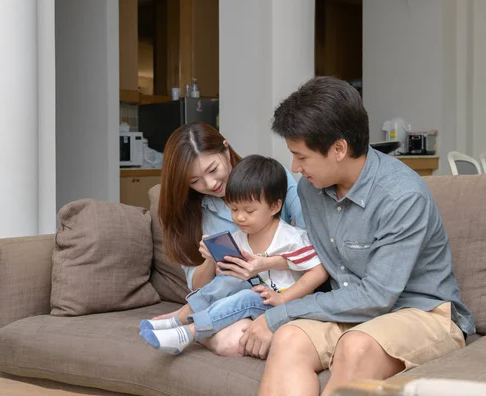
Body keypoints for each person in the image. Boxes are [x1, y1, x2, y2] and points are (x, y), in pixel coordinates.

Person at [237, 76, 475, 396]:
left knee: (356, 346)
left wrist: (281, 312)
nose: (294, 167)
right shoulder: (312, 189)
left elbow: (376, 297)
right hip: (352, 314)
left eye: (302, 156)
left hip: (421, 313)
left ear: (338, 149)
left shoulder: (401, 196)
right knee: (289, 337)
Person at [139, 155, 328, 355]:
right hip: (259, 299)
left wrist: (284, 298)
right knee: (226, 283)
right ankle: (178, 319)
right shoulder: (238, 238)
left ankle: (189, 332)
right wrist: (216, 262)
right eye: (234, 208)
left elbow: (319, 270)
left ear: (275, 206)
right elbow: (223, 282)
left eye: (249, 210)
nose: (239, 217)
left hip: (283, 305)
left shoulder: (291, 238)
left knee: (247, 295)